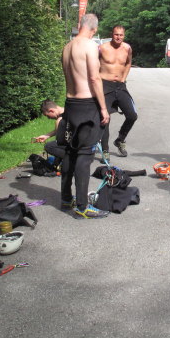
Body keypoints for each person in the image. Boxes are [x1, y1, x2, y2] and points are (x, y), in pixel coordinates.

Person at [58, 13, 111, 219]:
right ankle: (82, 206)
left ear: (80, 25)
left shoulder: (67, 47)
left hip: (70, 103)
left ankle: (65, 198)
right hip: (87, 105)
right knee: (84, 155)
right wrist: (103, 108)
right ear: (94, 29)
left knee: (70, 152)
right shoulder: (89, 46)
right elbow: (94, 78)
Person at [99, 25, 137, 159]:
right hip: (105, 85)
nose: (118, 37)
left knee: (132, 115)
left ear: (124, 35)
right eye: (116, 34)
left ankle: (120, 139)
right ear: (112, 34)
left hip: (120, 86)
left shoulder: (127, 48)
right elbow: (93, 65)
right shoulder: (102, 48)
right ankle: (105, 150)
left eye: (121, 35)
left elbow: (128, 63)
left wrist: (124, 78)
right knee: (105, 118)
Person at [31, 100, 66, 165]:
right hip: (87, 142)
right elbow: (59, 130)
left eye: (47, 115)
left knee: (49, 146)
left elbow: (60, 142)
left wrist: (56, 161)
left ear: (51, 111)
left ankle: (71, 160)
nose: (49, 118)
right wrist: (46, 136)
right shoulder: (68, 109)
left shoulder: (59, 121)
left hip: (76, 146)